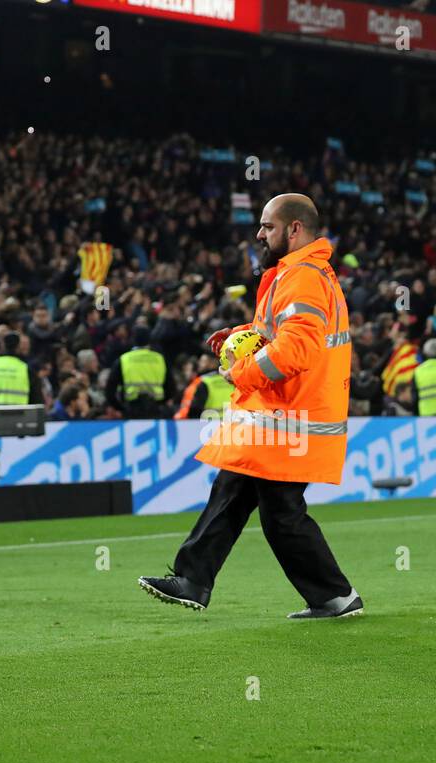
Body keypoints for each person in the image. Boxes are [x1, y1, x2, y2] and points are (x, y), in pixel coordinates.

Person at [138, 194, 361, 620]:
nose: (259, 234)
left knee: (280, 514)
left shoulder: (303, 277)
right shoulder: (300, 273)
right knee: (234, 491)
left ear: (294, 229)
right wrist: (243, 334)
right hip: (281, 417)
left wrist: (242, 372)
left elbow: (297, 348)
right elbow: (280, 334)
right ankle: (194, 579)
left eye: (267, 226)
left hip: (290, 419)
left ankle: (333, 596)